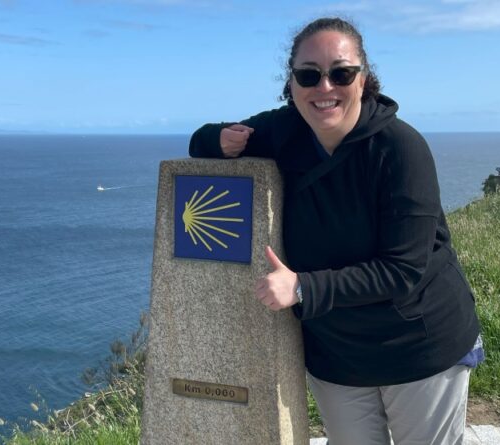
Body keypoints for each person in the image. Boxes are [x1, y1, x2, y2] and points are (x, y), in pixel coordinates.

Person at [189, 17, 482, 445]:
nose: (324, 87)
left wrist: (303, 288)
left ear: (363, 80)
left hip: (418, 346)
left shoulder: (400, 149)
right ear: (292, 84)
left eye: (341, 73)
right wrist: (219, 141)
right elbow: (203, 138)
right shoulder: (285, 130)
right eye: (309, 75)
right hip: (338, 355)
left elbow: (403, 269)